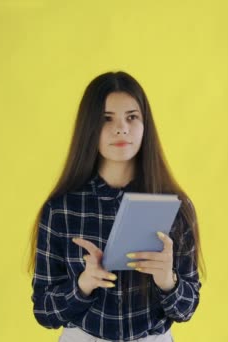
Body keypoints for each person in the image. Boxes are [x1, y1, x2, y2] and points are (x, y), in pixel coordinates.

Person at [27, 71, 205, 342]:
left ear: (145, 125)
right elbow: (44, 311)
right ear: (89, 128)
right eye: (106, 119)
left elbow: (187, 308)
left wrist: (167, 279)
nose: (121, 128)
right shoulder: (61, 210)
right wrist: (83, 284)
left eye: (132, 117)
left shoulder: (176, 208)